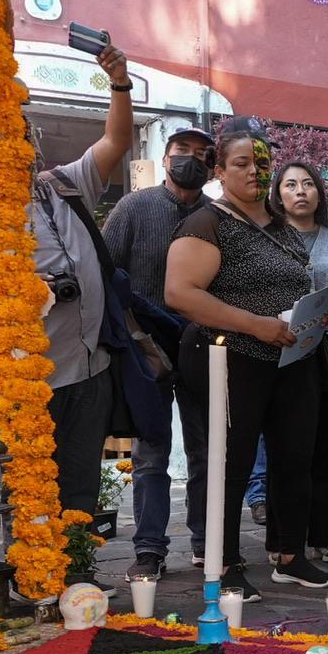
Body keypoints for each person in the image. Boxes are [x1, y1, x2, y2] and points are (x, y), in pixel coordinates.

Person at [0, 39, 134, 532]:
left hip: (89, 362)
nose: (19, 144)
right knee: (25, 477)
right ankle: (31, 568)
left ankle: (77, 570)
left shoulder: (65, 184)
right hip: (24, 373)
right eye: (5, 135)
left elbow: (114, 143)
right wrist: (20, 286)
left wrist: (119, 82)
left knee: (80, 477)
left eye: (23, 134)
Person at [164, 121, 328, 599]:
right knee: (231, 462)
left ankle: (289, 554)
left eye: (262, 162)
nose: (254, 171)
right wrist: (254, 323)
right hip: (230, 357)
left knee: (294, 457)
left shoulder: (281, 225)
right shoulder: (207, 221)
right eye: (241, 163)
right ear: (219, 170)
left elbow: (295, 285)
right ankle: (225, 561)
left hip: (290, 357)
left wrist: (319, 309)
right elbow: (180, 293)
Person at [102, 124, 215, 580]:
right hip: (147, 349)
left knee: (208, 450)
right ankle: (149, 547)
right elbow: (107, 270)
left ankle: (210, 542)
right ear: (165, 159)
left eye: (201, 153)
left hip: (205, 344)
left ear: (212, 165)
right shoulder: (135, 206)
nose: (190, 158)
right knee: (151, 452)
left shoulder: (219, 215)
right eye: (181, 150)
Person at [271, 160, 328, 566]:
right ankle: (282, 541)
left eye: (308, 184)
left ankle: (326, 537)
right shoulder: (266, 239)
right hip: (278, 351)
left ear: (320, 195)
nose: (301, 191)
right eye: (291, 185)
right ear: (278, 194)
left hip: (327, 353)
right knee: (285, 448)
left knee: (325, 444)